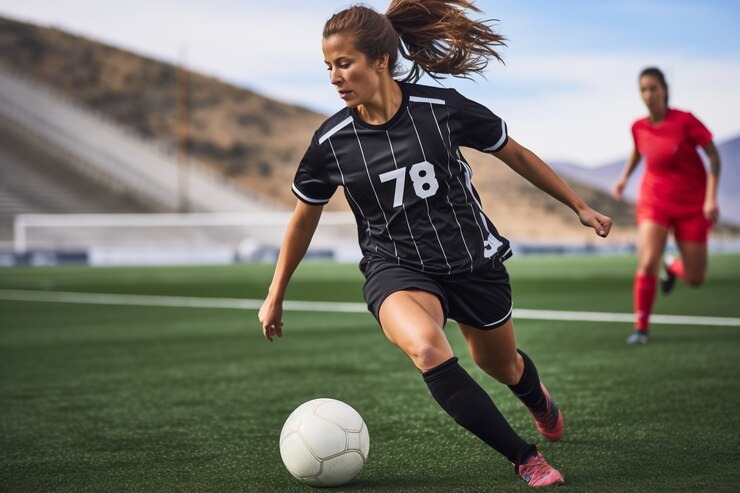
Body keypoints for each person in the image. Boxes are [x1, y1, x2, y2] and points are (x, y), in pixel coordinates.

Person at [259, 0, 612, 487]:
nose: (335, 77)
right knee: (428, 348)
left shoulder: (440, 108)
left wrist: (579, 206)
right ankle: (524, 458)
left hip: (471, 261)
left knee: (499, 363)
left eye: (344, 63)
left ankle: (536, 396)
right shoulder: (331, 142)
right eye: (328, 67)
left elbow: (516, 153)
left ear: (380, 60)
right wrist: (276, 292)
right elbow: (303, 219)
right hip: (396, 267)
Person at [613, 67, 721, 345]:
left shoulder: (685, 121)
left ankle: (673, 267)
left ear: (664, 90)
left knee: (696, 277)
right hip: (654, 201)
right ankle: (641, 327)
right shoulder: (638, 126)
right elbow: (638, 151)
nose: (648, 95)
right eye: (643, 90)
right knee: (647, 261)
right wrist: (624, 178)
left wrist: (711, 198)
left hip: (692, 204)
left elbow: (714, 158)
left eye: (653, 88)